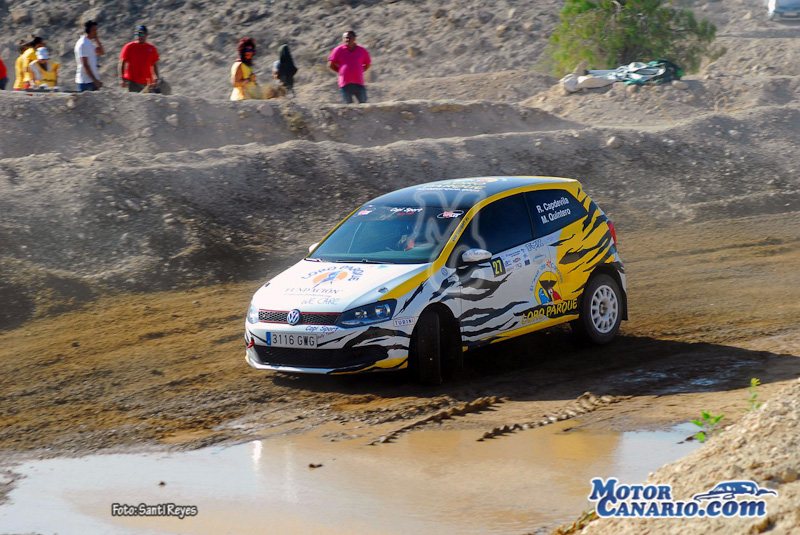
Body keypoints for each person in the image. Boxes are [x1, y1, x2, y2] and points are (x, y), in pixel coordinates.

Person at [328, 30, 371, 104]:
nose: (347, 40)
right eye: (345, 38)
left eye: (349, 38)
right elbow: (330, 64)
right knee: (348, 107)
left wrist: (360, 71)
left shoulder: (362, 50)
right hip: (345, 83)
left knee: (364, 105)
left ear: (354, 39)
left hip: (359, 83)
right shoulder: (338, 50)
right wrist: (340, 71)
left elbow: (368, 64)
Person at [119, 25, 160, 93]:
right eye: (137, 34)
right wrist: (121, 78)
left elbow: (155, 65)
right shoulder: (129, 47)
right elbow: (122, 63)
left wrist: (156, 78)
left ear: (146, 35)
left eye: (142, 34)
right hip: (132, 82)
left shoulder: (151, 48)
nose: (139, 36)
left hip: (147, 84)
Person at [74, 20, 105, 92]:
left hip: (91, 81)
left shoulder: (89, 43)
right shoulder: (83, 44)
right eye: (94, 30)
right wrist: (95, 80)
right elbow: (85, 64)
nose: (96, 32)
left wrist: (97, 39)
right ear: (88, 30)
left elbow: (101, 52)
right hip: (86, 81)